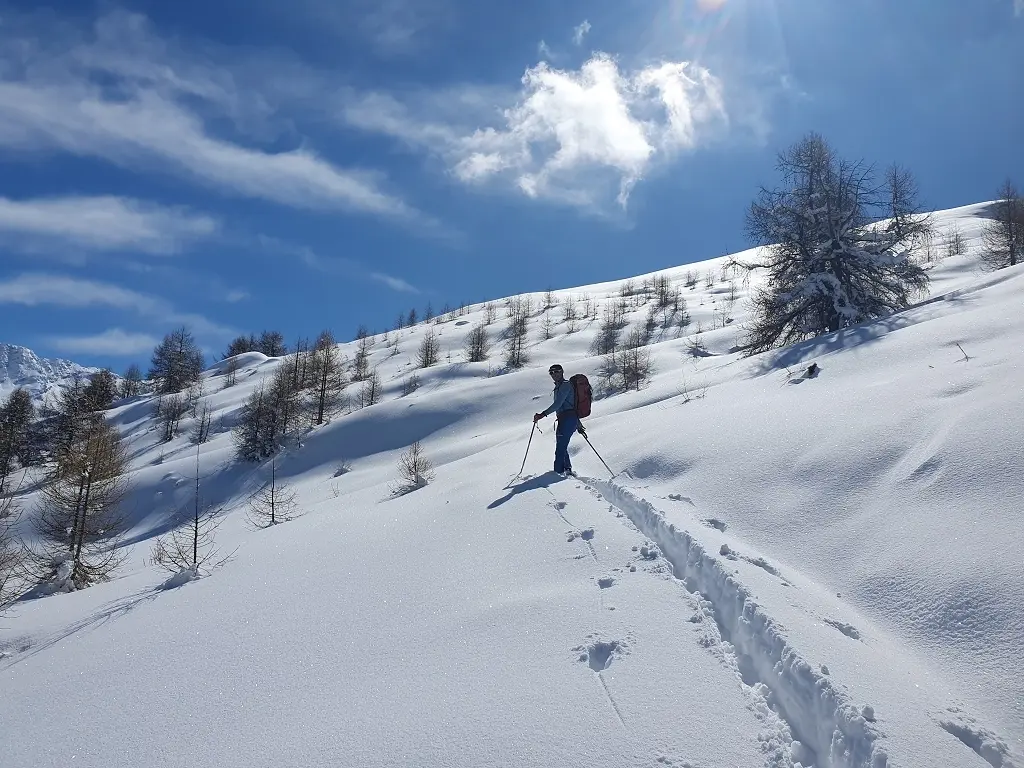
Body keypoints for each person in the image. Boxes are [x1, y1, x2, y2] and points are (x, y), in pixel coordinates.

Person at [533, 364, 577, 476]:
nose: (554, 374)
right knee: (562, 446)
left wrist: (542, 414)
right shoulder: (559, 386)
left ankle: (557, 474)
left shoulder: (565, 385)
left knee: (560, 449)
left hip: (568, 419)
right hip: (565, 419)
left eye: (556, 371)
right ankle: (567, 470)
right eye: (551, 372)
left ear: (562, 371)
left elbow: (558, 404)